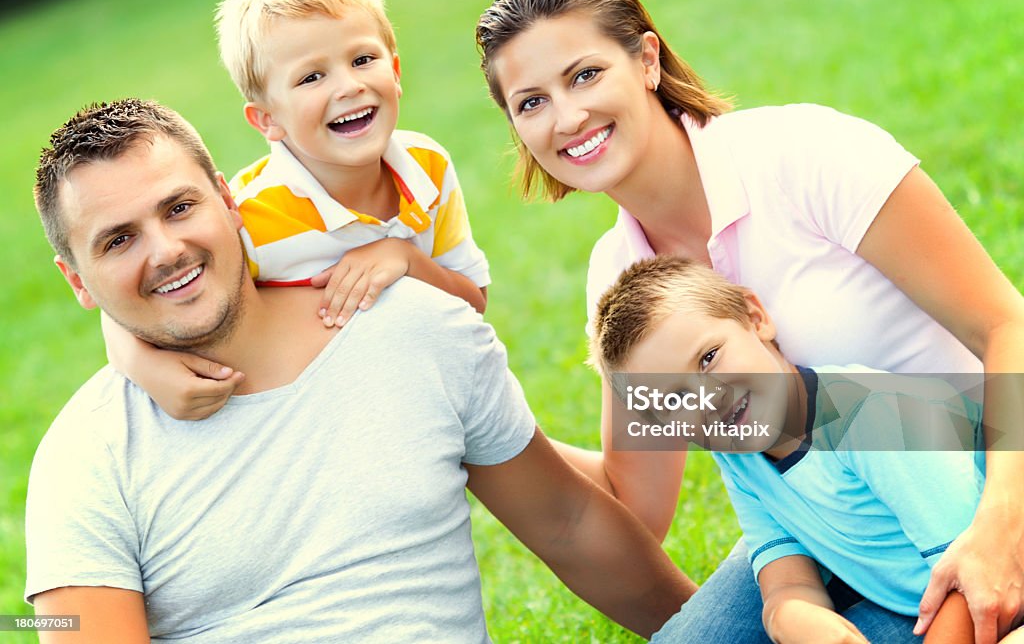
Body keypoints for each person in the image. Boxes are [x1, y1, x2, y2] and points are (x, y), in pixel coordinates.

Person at [474, 0, 1024, 643]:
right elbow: (636, 504)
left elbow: (1008, 325)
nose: (568, 115)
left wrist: (1003, 521)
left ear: (646, 59)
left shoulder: (804, 154)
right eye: (531, 102)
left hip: (976, 481)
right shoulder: (618, 279)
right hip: (821, 521)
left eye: (585, 74)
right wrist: (480, 425)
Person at [24, 99, 695, 642]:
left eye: (179, 208)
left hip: (771, 417)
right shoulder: (86, 455)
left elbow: (570, 524)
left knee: (777, 590)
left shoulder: (415, 328)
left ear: (229, 201)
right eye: (118, 240)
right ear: (77, 282)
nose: (167, 250)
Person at [107, 0, 490, 419]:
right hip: (306, 416)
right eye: (311, 78)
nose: (349, 86)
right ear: (267, 119)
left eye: (363, 59)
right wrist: (144, 367)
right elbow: (126, 305)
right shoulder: (247, 216)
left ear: (396, 69)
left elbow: (473, 304)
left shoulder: (428, 166)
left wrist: (404, 257)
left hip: (426, 386)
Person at [591, 255, 990, 643]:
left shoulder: (868, 417)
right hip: (910, 603)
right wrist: (789, 612)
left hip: (984, 590)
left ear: (756, 318)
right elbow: (786, 572)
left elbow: (975, 573)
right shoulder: (738, 456)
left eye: (709, 358)